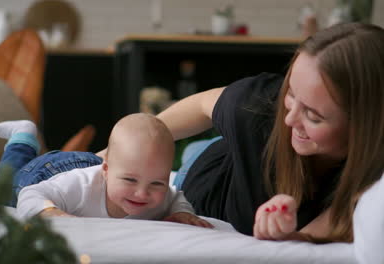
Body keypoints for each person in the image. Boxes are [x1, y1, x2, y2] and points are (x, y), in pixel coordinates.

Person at [153, 22, 384, 243]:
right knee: (198, 149)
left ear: (365, 127)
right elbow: (201, 105)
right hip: (209, 170)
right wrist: (130, 144)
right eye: (291, 94)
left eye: (313, 116)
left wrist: (283, 234)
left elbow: (307, 239)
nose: (289, 119)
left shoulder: (374, 180)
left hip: (246, 150)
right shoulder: (259, 105)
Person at [0, 114, 213, 228]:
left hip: (102, 164)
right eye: (130, 180)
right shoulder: (79, 188)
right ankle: (22, 137)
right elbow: (31, 194)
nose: (142, 193)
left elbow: (177, 197)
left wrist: (183, 213)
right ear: (106, 170)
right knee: (5, 188)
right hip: (49, 173)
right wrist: (49, 212)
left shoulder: (161, 194)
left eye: (157, 183)